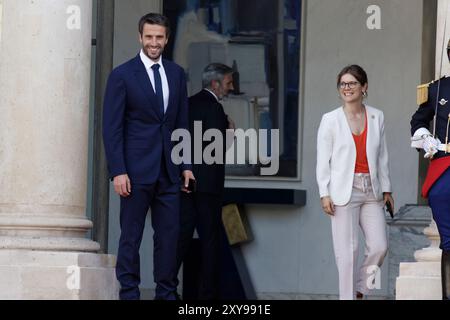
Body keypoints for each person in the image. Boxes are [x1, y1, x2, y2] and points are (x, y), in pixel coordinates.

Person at [102, 12, 194, 300]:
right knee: (131, 237)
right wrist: (118, 170)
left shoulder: (177, 74)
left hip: (169, 171)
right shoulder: (121, 75)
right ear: (140, 37)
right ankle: (129, 293)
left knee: (168, 238)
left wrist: (187, 165)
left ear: (166, 39)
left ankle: (166, 294)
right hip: (134, 171)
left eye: (159, 37)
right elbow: (112, 127)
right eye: (149, 37)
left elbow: (181, 123)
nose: (154, 42)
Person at [316, 65, 394, 300]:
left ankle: (361, 289)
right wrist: (324, 192)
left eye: (352, 83)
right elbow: (323, 159)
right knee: (347, 253)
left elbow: (382, 156)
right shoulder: (330, 119)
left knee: (379, 246)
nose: (347, 88)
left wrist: (387, 188)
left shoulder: (376, 115)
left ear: (364, 87)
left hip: (372, 190)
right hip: (343, 190)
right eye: (343, 84)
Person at [175, 63, 235, 300]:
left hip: (186, 182)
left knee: (182, 237)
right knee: (210, 241)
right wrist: (231, 131)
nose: (231, 88)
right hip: (209, 186)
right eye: (228, 83)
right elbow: (219, 149)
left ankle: (167, 289)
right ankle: (206, 296)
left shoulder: (186, 105)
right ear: (215, 84)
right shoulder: (215, 109)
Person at [410, 39, 450, 300]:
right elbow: (418, 119)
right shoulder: (437, 88)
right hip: (445, 166)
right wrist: (426, 139)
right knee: (448, 240)